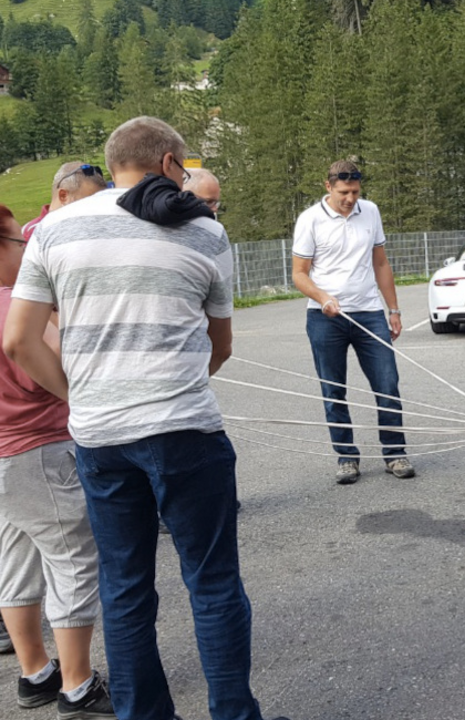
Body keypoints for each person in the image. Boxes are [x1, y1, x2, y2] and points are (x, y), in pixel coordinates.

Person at [3, 116, 289, 720]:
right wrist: (172, 386)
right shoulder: (204, 233)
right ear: (167, 164)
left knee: (126, 588)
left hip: (101, 437)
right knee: (212, 583)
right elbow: (221, 344)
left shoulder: (53, 230)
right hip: (185, 428)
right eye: (183, 167)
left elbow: (20, 342)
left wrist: (82, 398)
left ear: (112, 165)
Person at [0, 204, 115, 718]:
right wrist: (76, 393)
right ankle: (77, 683)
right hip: (37, 447)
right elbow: (46, 355)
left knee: (16, 561)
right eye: (18, 243)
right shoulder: (12, 305)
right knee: (72, 559)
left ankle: (35, 673)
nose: (26, 253)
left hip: (4, 456)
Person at [291, 160, 414, 484]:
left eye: (355, 192)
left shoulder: (370, 212)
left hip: (369, 313)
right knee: (333, 389)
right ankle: (346, 457)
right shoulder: (310, 220)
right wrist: (323, 298)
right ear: (328, 186)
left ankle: (395, 453)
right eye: (344, 192)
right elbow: (299, 274)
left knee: (387, 384)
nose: (350, 199)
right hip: (324, 318)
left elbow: (381, 263)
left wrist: (394, 309)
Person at [21, 162, 109, 241]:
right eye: (87, 203)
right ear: (63, 196)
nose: (95, 211)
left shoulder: (93, 227)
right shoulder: (32, 234)